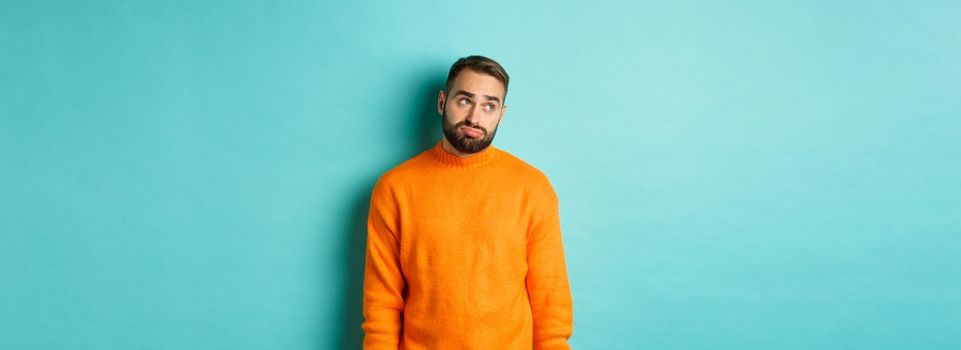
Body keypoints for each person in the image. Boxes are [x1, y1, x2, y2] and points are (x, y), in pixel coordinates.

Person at [361, 55, 573, 349]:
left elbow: (551, 302)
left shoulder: (532, 188)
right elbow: (381, 303)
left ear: (501, 114)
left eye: (489, 105)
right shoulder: (395, 189)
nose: (475, 117)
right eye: (464, 101)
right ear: (441, 102)